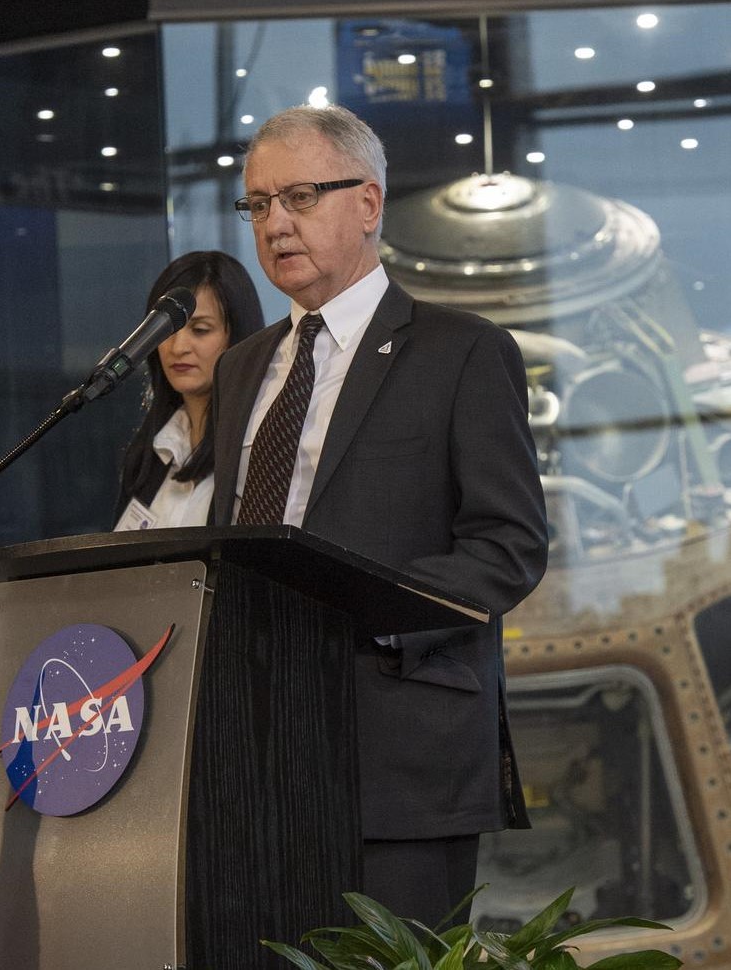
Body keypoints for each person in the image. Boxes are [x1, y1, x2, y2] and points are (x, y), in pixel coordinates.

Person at [211, 104, 548, 926]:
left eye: (298, 197)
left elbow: (507, 547)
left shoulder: (460, 352)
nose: (275, 224)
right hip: (253, 752)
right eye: (257, 205)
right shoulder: (241, 368)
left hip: (398, 750)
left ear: (367, 204)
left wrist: (363, 613)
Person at [114, 251, 265, 530]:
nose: (178, 346)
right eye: (167, 330)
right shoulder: (151, 452)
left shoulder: (257, 447)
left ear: (239, 336)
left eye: (200, 330)